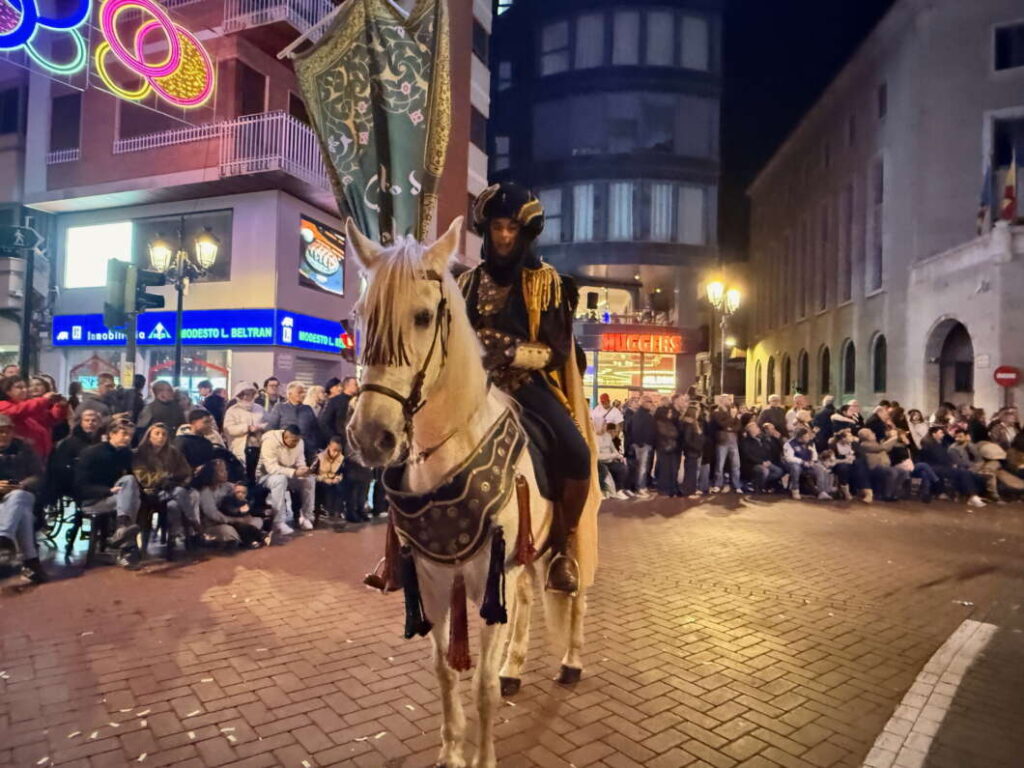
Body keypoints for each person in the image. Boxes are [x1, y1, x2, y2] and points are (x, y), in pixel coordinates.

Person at [459, 181, 596, 593]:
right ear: (486, 231)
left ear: (524, 233)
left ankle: (562, 545)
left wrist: (509, 351)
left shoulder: (547, 282)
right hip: (471, 386)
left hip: (524, 386)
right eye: (497, 227)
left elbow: (556, 351)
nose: (503, 236)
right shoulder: (466, 283)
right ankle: (403, 545)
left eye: (511, 229)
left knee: (576, 450)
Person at [74, 421, 142, 558]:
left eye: (130, 435)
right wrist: (108, 491)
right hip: (92, 500)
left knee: (130, 482)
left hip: (117, 499)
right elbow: (80, 487)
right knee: (131, 499)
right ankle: (126, 547)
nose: (127, 438)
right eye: (124, 434)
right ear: (111, 434)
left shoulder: (126, 454)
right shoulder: (91, 453)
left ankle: (122, 529)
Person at [133, 423, 199, 551]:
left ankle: (174, 537)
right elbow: (143, 477)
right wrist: (164, 477)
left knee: (174, 505)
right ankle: (194, 523)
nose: (161, 437)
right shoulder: (140, 453)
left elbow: (186, 471)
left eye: (164, 434)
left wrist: (179, 479)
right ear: (149, 436)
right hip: (151, 493)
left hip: (172, 490)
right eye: (157, 434)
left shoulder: (173, 452)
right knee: (179, 493)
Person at [0, 414, 48, 582]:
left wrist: (20, 484)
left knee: (19, 496)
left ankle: (4, 537)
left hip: (22, 492)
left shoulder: (24, 448)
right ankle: (31, 562)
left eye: (7, 431)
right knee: (24, 515)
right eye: (0, 432)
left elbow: (38, 475)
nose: (4, 435)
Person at [194, 460, 268, 546]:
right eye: (221, 471)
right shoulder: (206, 492)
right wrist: (234, 520)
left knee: (256, 521)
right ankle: (250, 539)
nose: (226, 473)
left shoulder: (227, 486)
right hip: (214, 525)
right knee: (228, 531)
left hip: (235, 521)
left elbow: (244, 492)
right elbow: (214, 515)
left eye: (225, 470)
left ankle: (250, 537)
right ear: (212, 474)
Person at [258, 425, 315, 535]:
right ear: (286, 437)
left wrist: (304, 469)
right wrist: (293, 472)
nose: (296, 443)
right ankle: (278, 522)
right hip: (266, 476)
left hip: (289, 474)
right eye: (294, 441)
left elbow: (300, 461)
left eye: (298, 441)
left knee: (309, 480)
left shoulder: (299, 442)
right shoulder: (270, 441)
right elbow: (271, 468)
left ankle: (306, 517)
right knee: (280, 479)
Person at [0, 375, 67, 460]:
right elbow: (18, 411)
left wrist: (60, 406)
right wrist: (44, 399)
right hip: (19, 455)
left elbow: (50, 419)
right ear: (7, 391)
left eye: (25, 387)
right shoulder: (3, 405)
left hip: (39, 455)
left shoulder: (29, 405)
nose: (25, 390)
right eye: (19, 387)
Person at [917, 427, 986, 507]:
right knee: (962, 472)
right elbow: (939, 458)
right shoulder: (929, 444)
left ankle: (972, 495)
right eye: (941, 433)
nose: (943, 435)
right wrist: (951, 464)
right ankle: (972, 496)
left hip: (940, 466)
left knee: (966, 473)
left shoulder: (938, 443)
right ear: (934, 434)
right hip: (934, 467)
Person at [46, 407, 103, 503]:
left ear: (99, 423)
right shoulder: (69, 443)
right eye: (87, 420)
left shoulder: (104, 440)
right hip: (76, 483)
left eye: (94, 420)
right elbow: (60, 466)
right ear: (81, 422)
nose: (90, 423)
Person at [265, 381, 321, 463]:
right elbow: (271, 429)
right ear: (289, 394)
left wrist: (315, 447)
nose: (303, 394)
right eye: (299, 392)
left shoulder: (308, 409)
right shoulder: (280, 408)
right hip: (286, 451)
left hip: (307, 452)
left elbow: (316, 430)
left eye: (304, 392)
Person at [223, 383, 265, 479]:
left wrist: (259, 427)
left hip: (259, 446)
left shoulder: (259, 408)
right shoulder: (232, 411)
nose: (246, 397)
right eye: (243, 394)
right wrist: (247, 428)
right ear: (238, 395)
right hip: (240, 447)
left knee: (257, 475)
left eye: (249, 394)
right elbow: (228, 429)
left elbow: (269, 423)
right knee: (242, 475)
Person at [783, 427, 831, 500]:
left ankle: (822, 492)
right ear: (799, 438)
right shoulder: (789, 444)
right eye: (806, 437)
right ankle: (795, 490)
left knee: (820, 468)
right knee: (796, 468)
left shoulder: (810, 442)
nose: (808, 438)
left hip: (808, 463)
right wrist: (802, 462)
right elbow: (789, 458)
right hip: (794, 464)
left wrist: (813, 460)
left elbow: (814, 453)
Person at [855, 428, 903, 502]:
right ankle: (887, 495)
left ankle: (895, 494)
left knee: (903, 471)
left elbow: (887, 447)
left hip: (884, 466)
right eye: (871, 433)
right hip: (875, 468)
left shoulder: (876, 443)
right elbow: (883, 447)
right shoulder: (864, 445)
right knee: (892, 472)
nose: (874, 433)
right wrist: (895, 437)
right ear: (866, 436)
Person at [739, 421, 784, 494]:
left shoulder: (761, 439)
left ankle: (757, 483)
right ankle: (759, 487)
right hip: (752, 465)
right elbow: (748, 456)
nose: (758, 429)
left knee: (779, 471)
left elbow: (767, 452)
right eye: (756, 427)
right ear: (751, 430)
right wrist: (761, 462)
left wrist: (768, 461)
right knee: (764, 471)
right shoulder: (745, 441)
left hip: (765, 462)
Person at [712, 396, 743, 494]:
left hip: (733, 441)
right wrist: (732, 418)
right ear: (722, 401)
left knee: (736, 465)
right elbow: (722, 424)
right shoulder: (717, 412)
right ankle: (717, 484)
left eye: (730, 400)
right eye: (728, 400)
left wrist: (731, 428)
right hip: (722, 441)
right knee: (720, 465)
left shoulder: (733, 411)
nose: (730, 401)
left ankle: (736, 485)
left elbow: (738, 426)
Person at [318, 376, 358, 451]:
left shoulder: (359, 401)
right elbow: (324, 422)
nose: (358, 387)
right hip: (340, 441)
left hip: (355, 442)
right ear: (347, 386)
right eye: (355, 384)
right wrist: (333, 438)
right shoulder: (334, 401)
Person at [313, 435, 346, 520]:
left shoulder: (341, 459)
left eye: (339, 451)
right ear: (329, 446)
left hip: (334, 481)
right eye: (334, 450)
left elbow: (342, 473)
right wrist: (324, 479)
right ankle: (322, 510)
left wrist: (338, 478)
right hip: (320, 481)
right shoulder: (319, 457)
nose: (336, 453)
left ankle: (337, 512)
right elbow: (311, 475)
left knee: (341, 487)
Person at [628, 395, 656, 496]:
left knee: (641, 467)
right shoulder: (642, 415)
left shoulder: (640, 414)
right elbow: (636, 430)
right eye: (649, 401)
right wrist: (641, 443)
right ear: (643, 402)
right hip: (642, 445)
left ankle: (640, 486)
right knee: (642, 467)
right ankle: (640, 487)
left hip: (642, 444)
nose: (651, 404)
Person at [653, 401, 681, 496]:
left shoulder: (669, 422)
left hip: (671, 447)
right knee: (665, 469)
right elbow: (671, 433)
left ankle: (671, 487)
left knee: (672, 469)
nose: (670, 414)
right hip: (664, 448)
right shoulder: (660, 423)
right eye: (669, 413)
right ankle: (664, 489)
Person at [597, 422, 629, 499]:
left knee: (623, 468)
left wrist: (619, 456)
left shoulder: (608, 436)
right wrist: (612, 455)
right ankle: (601, 491)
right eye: (602, 424)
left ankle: (618, 490)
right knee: (604, 470)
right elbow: (598, 456)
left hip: (610, 461)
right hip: (599, 462)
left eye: (605, 425)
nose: (604, 427)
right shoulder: (594, 437)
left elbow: (613, 449)